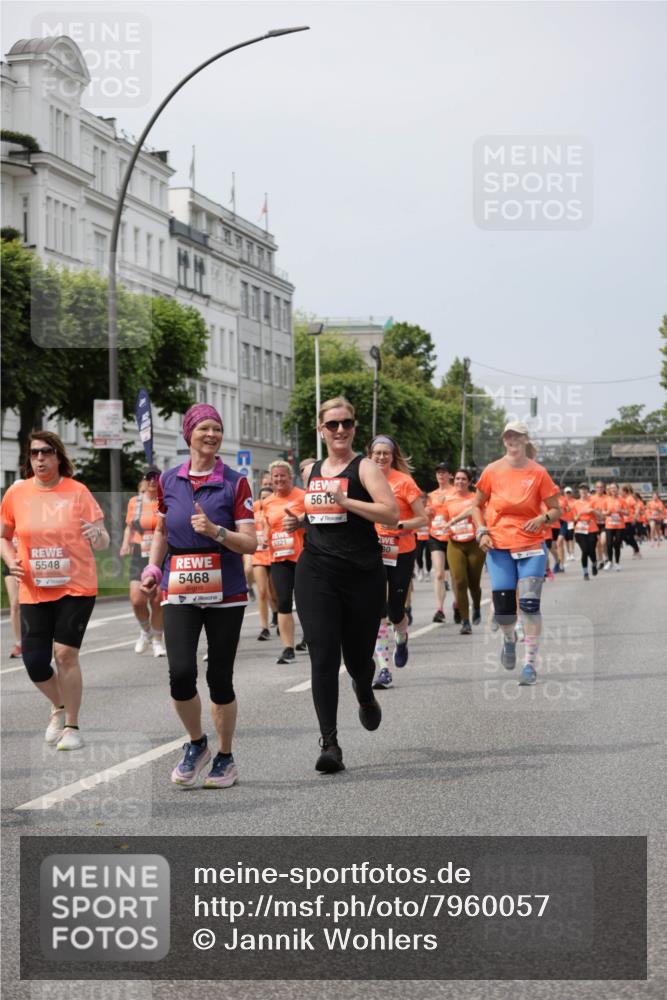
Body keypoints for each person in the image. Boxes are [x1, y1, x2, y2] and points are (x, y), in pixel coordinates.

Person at [140, 404, 256, 789]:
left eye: (217, 429)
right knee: (181, 673)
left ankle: (226, 757)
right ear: (188, 433)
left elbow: (250, 542)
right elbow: (161, 530)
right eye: (204, 428)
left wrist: (216, 532)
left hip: (226, 590)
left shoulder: (235, 483)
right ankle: (196, 744)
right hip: (179, 589)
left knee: (219, 677)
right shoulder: (169, 481)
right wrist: (154, 568)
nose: (211, 435)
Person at [292, 397, 398, 772]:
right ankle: (330, 744)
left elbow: (391, 514)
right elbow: (321, 516)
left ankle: (364, 691)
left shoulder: (365, 467)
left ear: (354, 428)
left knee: (356, 660)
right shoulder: (311, 471)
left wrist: (348, 500)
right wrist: (299, 522)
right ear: (320, 429)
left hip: (362, 575)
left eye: (347, 424)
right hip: (316, 572)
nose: (340, 430)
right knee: (323, 656)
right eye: (332, 424)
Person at [0, 431, 109, 749]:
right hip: (34, 587)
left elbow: (103, 539)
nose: (40, 458)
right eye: (34, 453)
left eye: (46, 452)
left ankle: (72, 726)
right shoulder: (16, 494)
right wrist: (11, 560)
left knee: (64, 654)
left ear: (59, 456)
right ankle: (59, 707)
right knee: (34, 662)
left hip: (75, 586)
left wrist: (95, 534)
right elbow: (4, 536)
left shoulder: (77, 492)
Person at [462, 421, 561, 687]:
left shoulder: (538, 472)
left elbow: (556, 509)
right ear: (504, 440)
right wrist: (481, 531)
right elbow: (476, 506)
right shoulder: (492, 470)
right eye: (508, 436)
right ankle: (508, 639)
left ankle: (530, 664)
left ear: (526, 440)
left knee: (529, 604)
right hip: (499, 545)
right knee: (505, 609)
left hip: (531, 545)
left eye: (518, 436)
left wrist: (543, 518)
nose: (513, 440)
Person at [369, 435, 427, 687]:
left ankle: (402, 637)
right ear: (370, 455)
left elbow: (422, 518)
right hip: (373, 550)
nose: (381, 457)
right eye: (377, 453)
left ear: (393, 456)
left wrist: (401, 525)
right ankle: (384, 668)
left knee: (395, 610)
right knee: (377, 609)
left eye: (386, 453)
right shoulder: (364, 480)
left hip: (402, 551)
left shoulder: (404, 482)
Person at [262, 461, 306, 663]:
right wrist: (264, 537)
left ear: (290, 477)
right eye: (275, 476)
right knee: (283, 602)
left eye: (283, 476)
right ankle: (288, 648)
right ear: (271, 479)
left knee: (307, 602)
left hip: (303, 556)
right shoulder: (268, 501)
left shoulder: (303, 497)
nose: (279, 479)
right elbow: (267, 524)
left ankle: (312, 639)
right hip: (279, 557)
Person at [119, 467, 165, 657]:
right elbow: (129, 527)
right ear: (144, 480)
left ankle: (157, 640)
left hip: (161, 553)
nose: (153, 482)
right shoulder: (135, 502)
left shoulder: (164, 500)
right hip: (140, 552)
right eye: (149, 478)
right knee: (137, 599)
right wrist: (125, 545)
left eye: (156, 478)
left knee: (157, 599)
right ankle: (145, 631)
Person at [441, 469, 485, 634]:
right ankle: (465, 621)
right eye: (457, 479)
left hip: (474, 543)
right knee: (459, 582)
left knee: (474, 583)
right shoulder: (448, 500)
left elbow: (472, 511)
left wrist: (454, 519)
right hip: (455, 543)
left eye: (463, 479)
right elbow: (441, 519)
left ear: (469, 481)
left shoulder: (475, 498)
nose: (459, 482)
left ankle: (477, 607)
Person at [426, 463, 455, 624]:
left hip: (453, 537)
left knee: (456, 577)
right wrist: (426, 513)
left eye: (444, 472)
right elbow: (426, 516)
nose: (441, 476)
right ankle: (439, 609)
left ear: (450, 475)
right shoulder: (431, 495)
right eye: (438, 473)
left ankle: (458, 604)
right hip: (435, 536)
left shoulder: (455, 492)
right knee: (439, 573)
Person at [250, 485, 277, 640]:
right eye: (262, 497)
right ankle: (264, 628)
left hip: (275, 555)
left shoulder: (276, 512)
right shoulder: (254, 512)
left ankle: (279, 617)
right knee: (261, 591)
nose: (265, 500)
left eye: (268, 497)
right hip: (259, 555)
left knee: (275, 593)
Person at [571, 483, 603, 580]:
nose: (583, 491)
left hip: (592, 528)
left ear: (588, 491)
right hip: (580, 529)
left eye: (585, 489)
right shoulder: (575, 504)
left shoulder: (593, 502)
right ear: (579, 491)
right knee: (584, 551)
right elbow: (574, 518)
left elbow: (600, 516)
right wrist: (581, 512)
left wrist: (592, 510)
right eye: (581, 489)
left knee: (591, 550)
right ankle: (585, 573)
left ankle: (594, 563)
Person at [603, 483, 626, 571]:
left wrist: (621, 511)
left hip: (620, 525)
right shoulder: (606, 500)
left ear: (617, 489)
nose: (613, 489)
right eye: (611, 488)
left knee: (617, 545)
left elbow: (627, 512)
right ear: (609, 490)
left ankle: (617, 563)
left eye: (615, 488)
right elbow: (603, 512)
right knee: (608, 544)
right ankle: (609, 561)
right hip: (609, 525)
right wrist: (607, 512)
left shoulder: (622, 500)